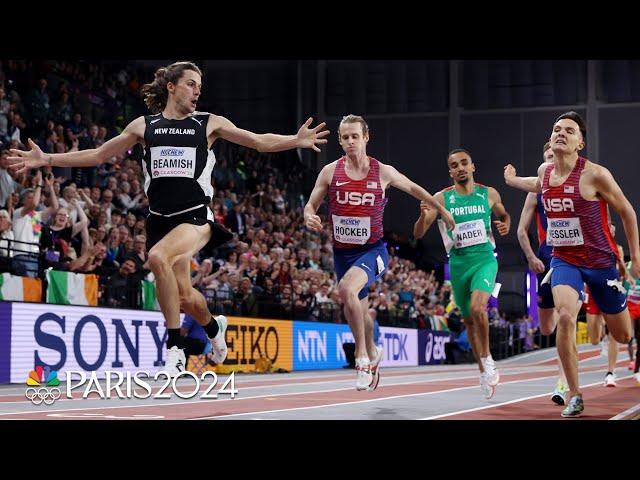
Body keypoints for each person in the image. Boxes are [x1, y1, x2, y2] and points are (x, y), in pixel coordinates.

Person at [8, 61, 329, 377]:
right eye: (191, 84)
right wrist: (47, 158)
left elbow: (258, 141)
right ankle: (214, 328)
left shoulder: (209, 123)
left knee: (157, 257)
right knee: (187, 297)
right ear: (171, 86)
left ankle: (175, 347)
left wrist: (295, 140)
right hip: (159, 219)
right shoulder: (144, 126)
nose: (197, 91)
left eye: (200, 87)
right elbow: (99, 155)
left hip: (195, 217)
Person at [304, 114, 455, 391]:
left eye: (355, 136)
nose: (350, 142)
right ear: (340, 140)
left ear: (366, 138)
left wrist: (442, 210)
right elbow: (311, 204)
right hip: (342, 254)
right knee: (360, 313)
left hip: (373, 251)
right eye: (345, 137)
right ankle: (373, 351)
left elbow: (413, 188)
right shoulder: (329, 171)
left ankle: (361, 359)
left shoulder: (382, 171)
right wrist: (308, 215)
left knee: (347, 290)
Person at [504, 111, 638, 417]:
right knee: (565, 317)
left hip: (601, 263)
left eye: (569, 130)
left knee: (623, 335)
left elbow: (627, 212)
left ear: (580, 143)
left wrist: (636, 259)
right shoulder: (545, 170)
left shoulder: (595, 175)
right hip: (564, 259)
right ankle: (574, 394)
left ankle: (623, 338)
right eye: (556, 129)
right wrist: (512, 180)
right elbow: (536, 183)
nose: (560, 133)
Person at [414, 148, 510, 399]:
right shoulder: (442, 199)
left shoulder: (489, 194)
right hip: (458, 265)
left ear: (472, 166)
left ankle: (487, 358)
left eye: (464, 163)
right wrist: (423, 217)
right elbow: (418, 234)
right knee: (469, 321)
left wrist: (505, 223)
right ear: (450, 172)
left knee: (479, 309)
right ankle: (482, 371)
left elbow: (503, 214)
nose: (460, 168)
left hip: (485, 260)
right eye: (454, 165)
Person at [516, 142, 569, 405]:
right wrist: (531, 257)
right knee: (547, 327)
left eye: (554, 155)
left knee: (566, 315)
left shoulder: (574, 185)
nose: (551, 160)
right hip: (545, 255)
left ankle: (562, 382)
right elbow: (521, 231)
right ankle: (562, 321)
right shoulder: (535, 191)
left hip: (568, 255)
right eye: (547, 156)